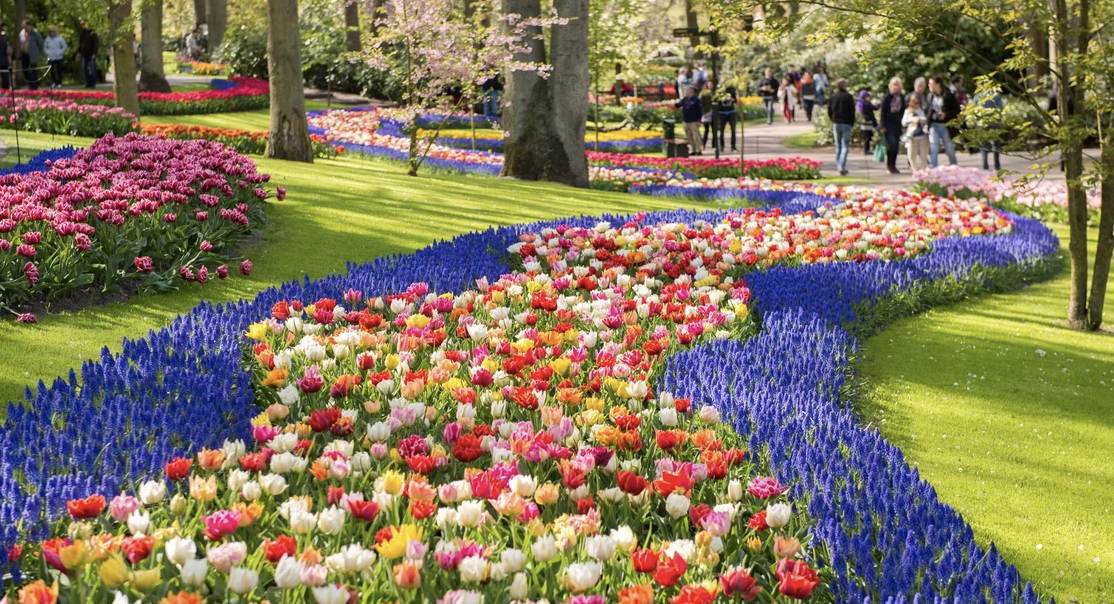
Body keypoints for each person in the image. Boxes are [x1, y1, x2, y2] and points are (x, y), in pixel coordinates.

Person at [926, 75, 960, 167]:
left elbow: (956, 110)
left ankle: (954, 167)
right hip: (934, 125)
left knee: (949, 149)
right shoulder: (930, 96)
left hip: (945, 125)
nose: (929, 86)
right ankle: (934, 170)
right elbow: (928, 112)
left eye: (932, 84)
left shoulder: (949, 95)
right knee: (934, 148)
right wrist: (927, 124)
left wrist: (946, 114)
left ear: (938, 84)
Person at [878, 77, 907, 174]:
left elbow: (904, 112)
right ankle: (889, 164)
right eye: (893, 86)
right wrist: (882, 125)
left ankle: (893, 165)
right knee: (891, 145)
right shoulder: (887, 98)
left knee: (896, 146)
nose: (895, 88)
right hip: (888, 125)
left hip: (897, 124)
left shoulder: (902, 98)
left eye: (897, 86)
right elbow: (883, 112)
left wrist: (904, 125)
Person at [827, 78, 855, 176]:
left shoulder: (833, 97)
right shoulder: (848, 97)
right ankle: (841, 166)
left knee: (838, 145)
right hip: (846, 123)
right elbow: (852, 111)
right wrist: (852, 122)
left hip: (836, 123)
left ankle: (839, 165)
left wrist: (832, 119)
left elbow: (829, 110)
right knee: (845, 146)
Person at [976, 90, 1004, 171]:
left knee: (984, 147)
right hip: (994, 123)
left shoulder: (977, 96)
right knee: (996, 146)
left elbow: (975, 111)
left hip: (982, 124)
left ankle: (985, 167)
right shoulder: (996, 96)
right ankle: (997, 167)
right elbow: (1000, 109)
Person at [902, 94, 930, 172]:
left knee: (923, 157)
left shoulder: (922, 110)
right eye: (914, 102)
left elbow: (926, 119)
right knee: (911, 156)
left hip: (923, 137)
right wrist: (913, 119)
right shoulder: (907, 111)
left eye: (918, 103)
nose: (916, 104)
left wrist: (919, 119)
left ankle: (924, 172)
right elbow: (904, 122)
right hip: (912, 137)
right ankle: (916, 171)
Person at [676, 85, 704, 155]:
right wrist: (677, 102)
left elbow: (699, 111)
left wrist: (699, 120)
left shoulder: (696, 100)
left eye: (687, 90)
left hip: (694, 121)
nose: (686, 92)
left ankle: (698, 150)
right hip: (686, 120)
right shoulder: (685, 99)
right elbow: (678, 105)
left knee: (696, 136)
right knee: (689, 136)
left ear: (691, 91)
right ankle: (693, 149)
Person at [18, 20, 45, 90]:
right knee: (24, 69)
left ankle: (34, 86)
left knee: (34, 70)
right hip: (24, 54)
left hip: (33, 54)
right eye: (22, 27)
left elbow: (41, 43)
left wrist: (38, 52)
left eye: (25, 27)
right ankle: (31, 83)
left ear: (28, 25)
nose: (24, 28)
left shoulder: (35, 33)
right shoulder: (22, 33)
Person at [715, 84, 739, 152]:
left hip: (731, 112)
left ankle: (733, 146)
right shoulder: (719, 90)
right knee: (721, 131)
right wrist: (720, 100)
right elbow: (715, 101)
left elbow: (735, 100)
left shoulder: (731, 89)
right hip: (722, 112)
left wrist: (733, 99)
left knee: (733, 130)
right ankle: (721, 146)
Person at [77, 21, 98, 88]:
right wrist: (79, 52)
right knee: (84, 67)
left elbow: (96, 44)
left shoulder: (92, 33)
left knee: (93, 68)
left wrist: (94, 53)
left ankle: (93, 83)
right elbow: (80, 44)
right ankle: (88, 82)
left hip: (91, 53)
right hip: (84, 53)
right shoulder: (82, 34)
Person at [858, 90, 878, 154]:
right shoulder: (867, 103)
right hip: (868, 122)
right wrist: (880, 104)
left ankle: (866, 149)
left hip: (864, 122)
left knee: (866, 136)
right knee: (868, 136)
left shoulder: (862, 103)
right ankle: (866, 150)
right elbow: (875, 108)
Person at [699, 80, 714, 149]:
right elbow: (700, 103)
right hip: (706, 113)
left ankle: (714, 145)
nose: (711, 86)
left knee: (714, 130)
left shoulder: (715, 93)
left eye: (712, 84)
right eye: (709, 84)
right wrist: (703, 113)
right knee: (706, 130)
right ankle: (703, 144)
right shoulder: (703, 93)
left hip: (713, 113)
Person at [0, 23, 12, 90]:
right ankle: (5, 90)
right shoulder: (5, 37)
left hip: (3, 58)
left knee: (5, 76)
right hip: (4, 59)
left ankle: (4, 90)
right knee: (5, 76)